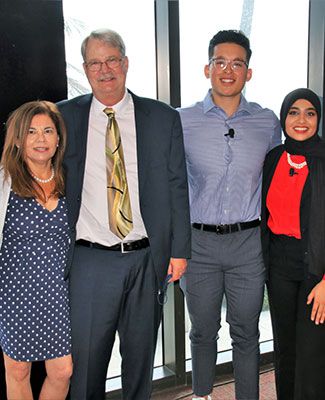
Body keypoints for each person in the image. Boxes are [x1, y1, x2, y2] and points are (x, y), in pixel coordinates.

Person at [57, 28, 191, 400]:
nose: (105, 70)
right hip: (88, 261)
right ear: (85, 70)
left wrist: (179, 250)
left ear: (126, 63)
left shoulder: (162, 117)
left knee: (140, 362)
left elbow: (178, 184)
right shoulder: (64, 117)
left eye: (112, 60)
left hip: (147, 259)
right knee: (85, 367)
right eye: (95, 63)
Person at [178, 30, 282, 400]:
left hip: (248, 245)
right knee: (202, 331)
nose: (228, 70)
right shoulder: (182, 120)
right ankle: (202, 395)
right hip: (199, 244)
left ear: (248, 72)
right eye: (220, 62)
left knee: (246, 332)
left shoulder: (268, 122)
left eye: (237, 63)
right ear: (207, 68)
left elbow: (276, 176)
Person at [0, 101, 72, 400]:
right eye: (31, 132)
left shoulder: (71, 179)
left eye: (47, 131)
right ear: (18, 139)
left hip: (60, 293)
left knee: (62, 371)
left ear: (58, 139)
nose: (41, 139)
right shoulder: (5, 180)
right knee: (18, 370)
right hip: (15, 293)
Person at [261, 88, 325, 400]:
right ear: (284, 117)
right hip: (279, 265)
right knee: (284, 347)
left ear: (318, 119)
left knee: (312, 353)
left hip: (316, 267)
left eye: (310, 113)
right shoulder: (273, 159)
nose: (301, 120)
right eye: (293, 112)